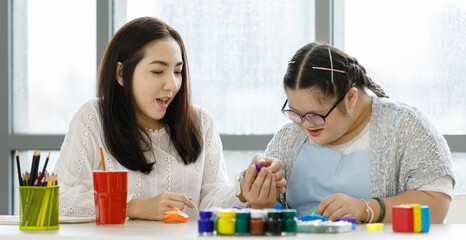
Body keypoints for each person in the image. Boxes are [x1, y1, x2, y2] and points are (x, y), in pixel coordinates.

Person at [54, 17, 286, 221]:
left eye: (178, 71)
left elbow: (209, 201)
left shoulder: (200, 122)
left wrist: (243, 189)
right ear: (121, 73)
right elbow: (60, 198)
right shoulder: (94, 118)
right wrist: (134, 206)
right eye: (157, 71)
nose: (172, 84)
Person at [264, 42, 454, 223]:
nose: (305, 124)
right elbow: (270, 214)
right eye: (295, 113)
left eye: (317, 115)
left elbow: (437, 204)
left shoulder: (405, 126)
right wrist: (262, 201)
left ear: (351, 97)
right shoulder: (289, 138)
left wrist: (367, 209)